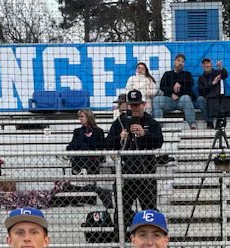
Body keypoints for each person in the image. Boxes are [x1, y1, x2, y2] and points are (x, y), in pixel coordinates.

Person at [106, 89, 164, 232]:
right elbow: (107, 143)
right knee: (121, 208)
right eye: (131, 105)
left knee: (149, 209)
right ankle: (120, 238)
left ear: (143, 104)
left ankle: (152, 235)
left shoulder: (151, 122)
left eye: (137, 105)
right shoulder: (120, 121)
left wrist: (144, 134)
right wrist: (120, 137)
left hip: (146, 172)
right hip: (125, 173)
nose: (134, 108)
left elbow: (159, 142)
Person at [153, 54, 198, 128]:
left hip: (182, 101)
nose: (180, 63)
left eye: (182, 62)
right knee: (156, 100)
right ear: (174, 62)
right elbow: (162, 86)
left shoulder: (187, 74)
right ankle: (159, 126)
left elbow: (189, 86)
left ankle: (192, 124)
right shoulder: (167, 74)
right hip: (169, 100)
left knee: (186, 98)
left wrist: (179, 83)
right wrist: (171, 93)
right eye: (178, 60)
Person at [66, 108, 106, 175]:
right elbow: (71, 147)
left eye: (82, 116)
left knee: (85, 147)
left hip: (93, 159)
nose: (80, 119)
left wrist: (85, 139)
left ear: (88, 117)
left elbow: (100, 146)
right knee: (83, 148)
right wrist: (84, 137)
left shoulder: (98, 131)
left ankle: (83, 170)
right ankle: (83, 170)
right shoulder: (77, 131)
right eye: (79, 117)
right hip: (79, 159)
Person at [196, 57, 229, 129]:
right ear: (202, 66)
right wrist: (212, 84)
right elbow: (201, 91)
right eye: (204, 64)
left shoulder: (217, 73)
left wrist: (220, 68)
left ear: (211, 64)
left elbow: (225, 75)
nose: (206, 65)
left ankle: (216, 121)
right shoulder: (201, 78)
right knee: (200, 99)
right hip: (207, 100)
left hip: (217, 99)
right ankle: (210, 122)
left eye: (208, 63)